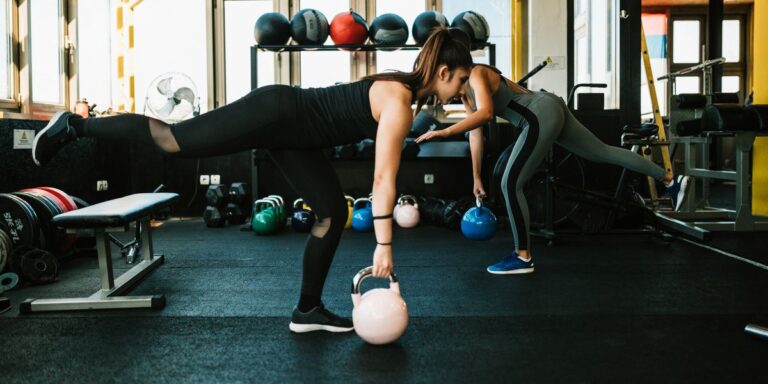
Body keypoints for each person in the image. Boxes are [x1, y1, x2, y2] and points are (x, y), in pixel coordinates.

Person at [32, 28, 474, 332]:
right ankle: (75, 125)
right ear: (441, 73)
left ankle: (308, 309)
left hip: (294, 136)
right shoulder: (400, 102)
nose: (462, 92)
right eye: (460, 81)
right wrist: (384, 243)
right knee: (172, 140)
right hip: (277, 113)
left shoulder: (402, 92)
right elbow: (382, 179)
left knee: (332, 211)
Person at [415, 62, 689, 275]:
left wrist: (443, 132)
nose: (439, 99)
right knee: (601, 152)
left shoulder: (476, 74)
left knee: (510, 183)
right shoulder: (467, 98)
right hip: (549, 105)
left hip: (539, 112)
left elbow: (487, 114)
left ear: (445, 73)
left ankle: (522, 256)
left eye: (436, 92)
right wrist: (476, 176)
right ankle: (669, 180)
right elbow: (476, 133)